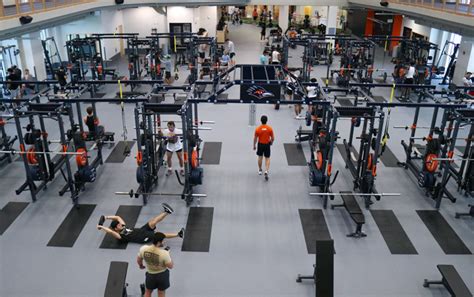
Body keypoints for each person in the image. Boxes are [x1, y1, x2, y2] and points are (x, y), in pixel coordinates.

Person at [97, 203, 184, 244]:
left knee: (152, 222)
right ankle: (178, 234)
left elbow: (118, 217)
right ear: (116, 229)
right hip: (142, 237)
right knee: (159, 235)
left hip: (142, 230)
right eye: (118, 225)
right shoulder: (120, 236)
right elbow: (110, 232)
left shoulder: (122, 227)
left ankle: (167, 212)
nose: (120, 224)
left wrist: (106, 217)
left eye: (119, 224)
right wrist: (101, 226)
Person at [137, 233, 174, 297]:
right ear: (159, 242)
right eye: (163, 240)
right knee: (161, 293)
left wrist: (141, 265)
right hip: (162, 275)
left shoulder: (143, 248)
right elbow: (170, 266)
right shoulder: (164, 253)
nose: (164, 242)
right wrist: (168, 254)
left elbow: (139, 260)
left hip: (150, 275)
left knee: (148, 292)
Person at [253, 115, 275, 181]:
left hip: (260, 145)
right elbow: (273, 138)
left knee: (260, 157)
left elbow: (255, 138)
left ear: (261, 121)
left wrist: (254, 145)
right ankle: (266, 171)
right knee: (267, 158)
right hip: (267, 145)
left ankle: (260, 170)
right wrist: (271, 142)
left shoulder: (257, 129)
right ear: (266, 121)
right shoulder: (270, 128)